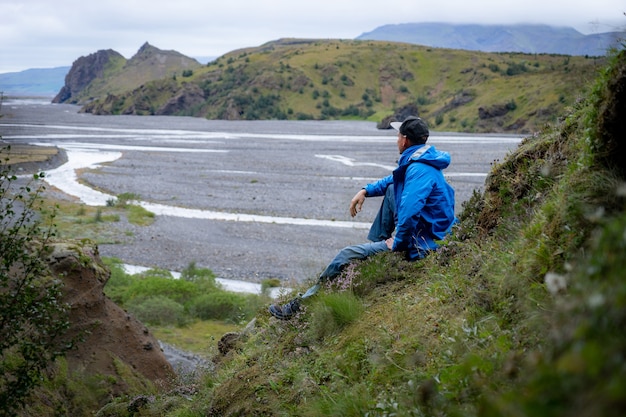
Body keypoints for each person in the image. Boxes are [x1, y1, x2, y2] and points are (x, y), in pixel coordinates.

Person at [269, 116, 457, 320]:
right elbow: (393, 180)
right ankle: (377, 246)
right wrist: (365, 190)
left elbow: (410, 214)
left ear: (404, 140)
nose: (395, 140)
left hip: (423, 243)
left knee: (345, 255)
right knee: (393, 189)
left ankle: (301, 305)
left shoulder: (418, 170)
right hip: (431, 232)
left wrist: (399, 243)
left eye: (397, 135)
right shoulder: (422, 162)